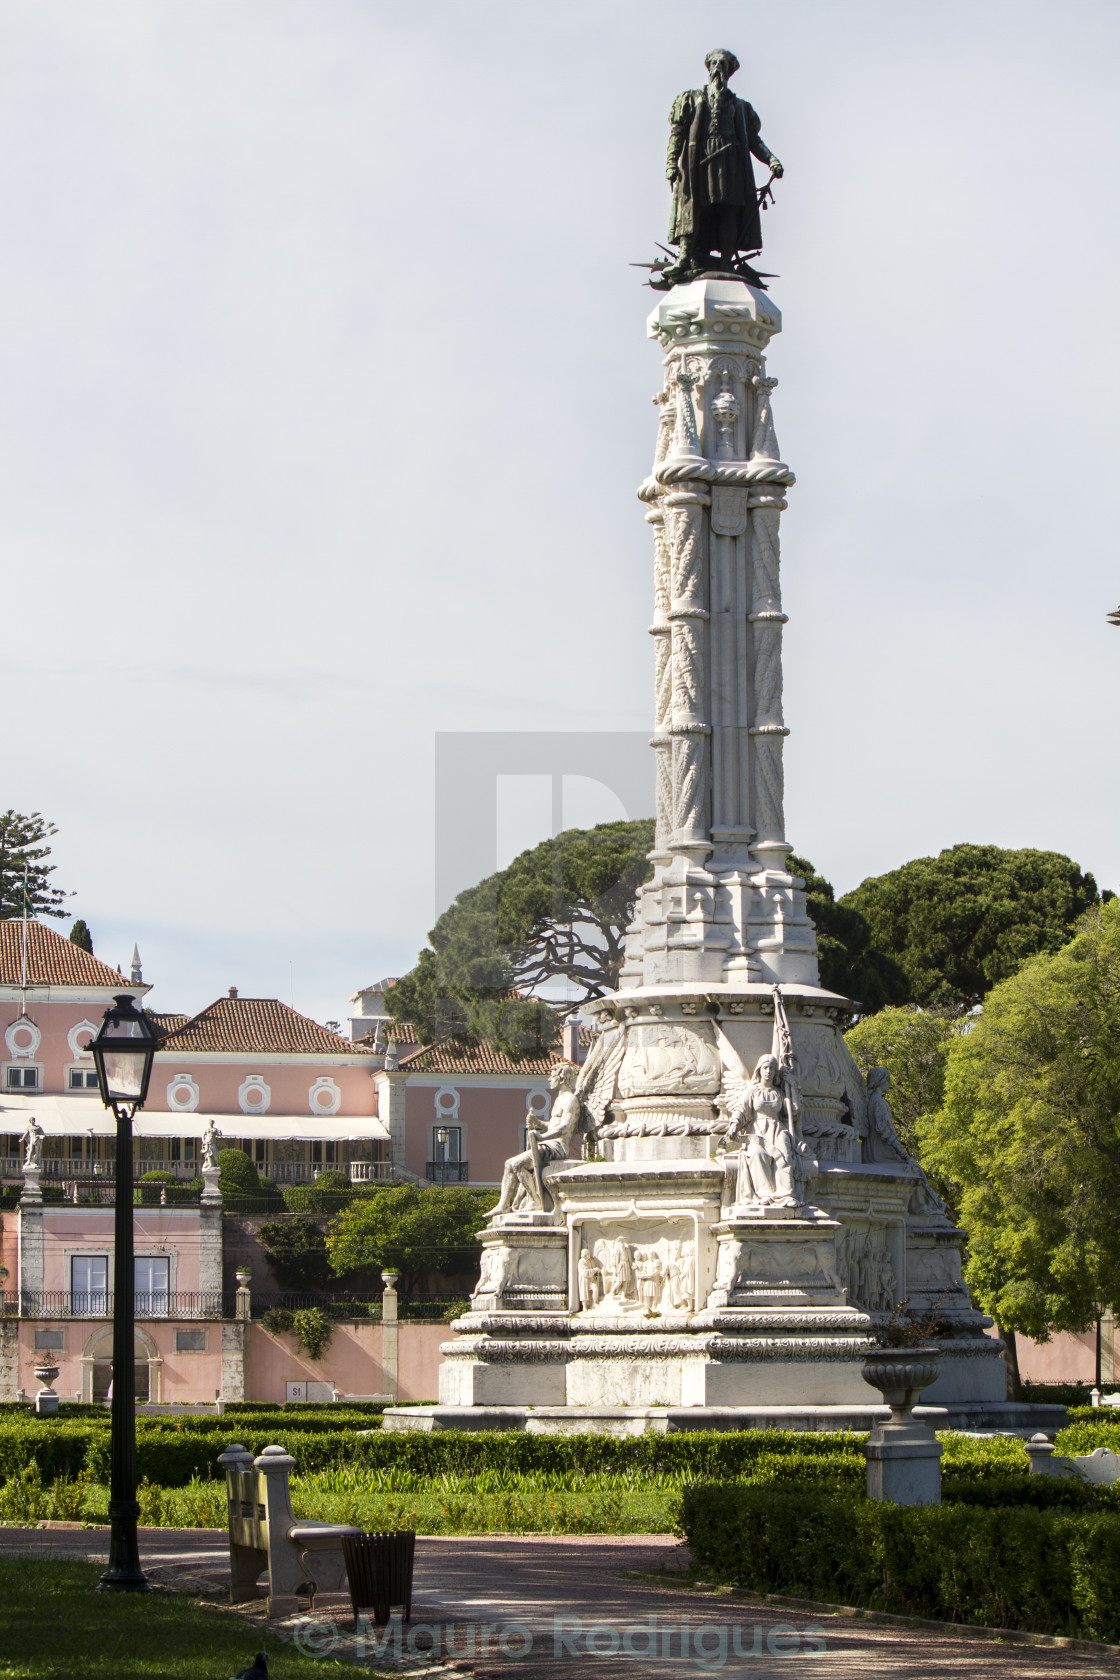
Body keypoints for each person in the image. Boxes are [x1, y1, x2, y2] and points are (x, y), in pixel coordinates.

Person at [665, 48, 783, 280]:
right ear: (708, 68)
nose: (718, 68)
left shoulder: (740, 107)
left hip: (731, 164)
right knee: (694, 207)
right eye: (715, 64)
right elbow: (677, 134)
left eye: (723, 65)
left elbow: (754, 141)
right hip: (697, 162)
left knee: (728, 210)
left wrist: (771, 159)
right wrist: (671, 163)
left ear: (729, 72)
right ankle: (686, 257)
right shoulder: (690, 98)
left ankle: (726, 262)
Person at [492, 1063, 582, 1215]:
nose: (549, 1079)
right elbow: (554, 1125)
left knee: (517, 1164)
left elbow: (565, 1128)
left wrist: (541, 1136)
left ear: (561, 1078)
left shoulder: (570, 1100)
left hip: (558, 1148)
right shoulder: (559, 1099)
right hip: (548, 1144)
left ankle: (535, 1201)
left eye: (552, 1076)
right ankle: (503, 1204)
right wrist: (538, 1123)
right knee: (508, 1163)